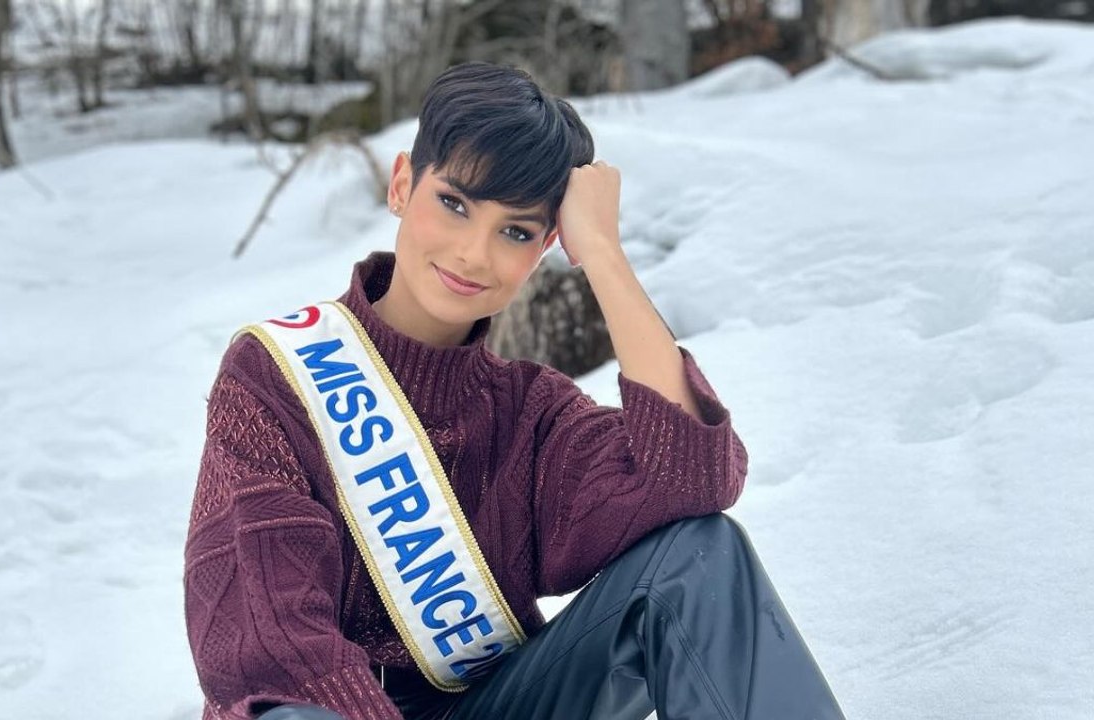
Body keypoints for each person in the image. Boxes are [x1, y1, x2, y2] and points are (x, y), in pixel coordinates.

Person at [183, 62, 845, 720]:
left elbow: (692, 481)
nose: (475, 253)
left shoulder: (529, 412)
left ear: (546, 246)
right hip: (326, 711)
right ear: (402, 184)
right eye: (454, 203)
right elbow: (272, 650)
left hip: (502, 706)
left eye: (517, 231)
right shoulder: (276, 375)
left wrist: (605, 257)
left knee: (701, 555)